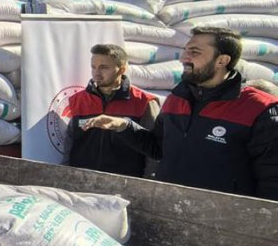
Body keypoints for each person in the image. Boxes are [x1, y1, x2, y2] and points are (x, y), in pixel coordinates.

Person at [87, 26, 278, 199]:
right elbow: (159, 148)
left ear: (222, 60)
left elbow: (272, 177)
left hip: (226, 223)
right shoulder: (177, 98)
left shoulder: (258, 108)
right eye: (186, 50)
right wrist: (124, 126)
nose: (183, 58)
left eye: (194, 52)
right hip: (172, 210)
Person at [64, 43, 159, 177]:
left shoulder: (144, 102)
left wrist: (148, 182)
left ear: (121, 70)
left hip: (125, 184)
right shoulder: (79, 100)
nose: (96, 72)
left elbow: (153, 150)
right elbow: (70, 143)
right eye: (93, 67)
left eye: (104, 67)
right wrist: (65, 174)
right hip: (82, 182)